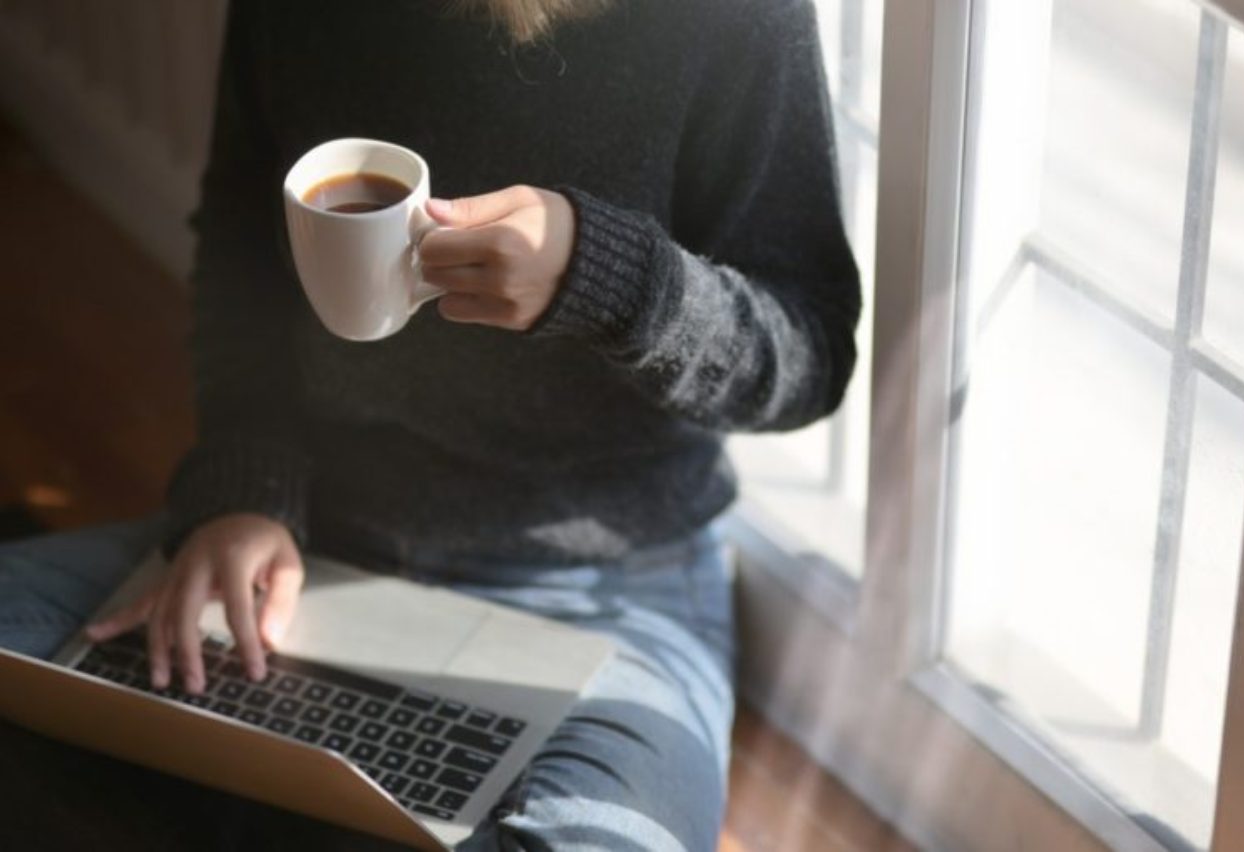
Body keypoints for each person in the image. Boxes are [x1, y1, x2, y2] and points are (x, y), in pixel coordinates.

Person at [0, 0, 860, 848]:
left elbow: (807, 357)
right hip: (314, 542)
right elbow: (244, 245)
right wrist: (241, 491)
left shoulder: (736, 19)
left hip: (609, 594)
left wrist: (614, 280)